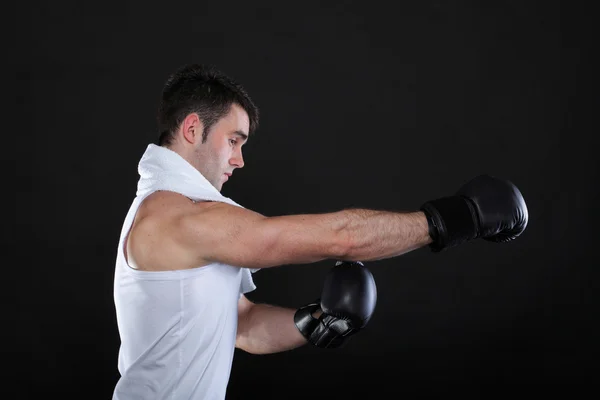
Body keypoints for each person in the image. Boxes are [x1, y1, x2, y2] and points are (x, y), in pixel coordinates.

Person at [112, 63, 528, 400]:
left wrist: (316, 321)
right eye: (234, 140)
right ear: (191, 130)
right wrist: (458, 218)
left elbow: (241, 325)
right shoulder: (176, 217)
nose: (239, 160)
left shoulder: (183, 213)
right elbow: (340, 238)